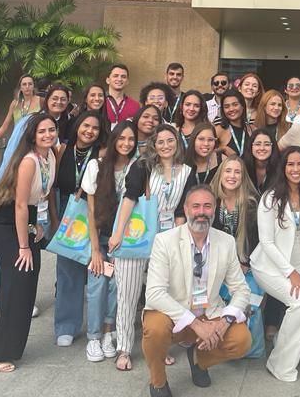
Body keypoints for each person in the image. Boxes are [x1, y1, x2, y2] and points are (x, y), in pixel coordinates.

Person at [141, 185, 252, 397]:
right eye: (196, 206)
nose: (201, 212)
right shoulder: (165, 241)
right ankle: (158, 381)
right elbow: (154, 293)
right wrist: (195, 324)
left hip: (209, 314)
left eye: (207, 206)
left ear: (214, 209)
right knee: (154, 329)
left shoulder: (226, 242)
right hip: (173, 315)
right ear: (186, 209)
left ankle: (199, 360)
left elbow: (241, 289)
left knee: (241, 340)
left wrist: (224, 322)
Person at [109, 124, 191, 372]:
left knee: (163, 295)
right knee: (128, 294)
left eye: (170, 140)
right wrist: (117, 233)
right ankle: (124, 348)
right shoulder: (143, 166)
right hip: (136, 234)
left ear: (177, 142)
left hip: (167, 238)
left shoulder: (186, 170)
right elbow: (129, 198)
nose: (166, 146)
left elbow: (181, 210)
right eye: (160, 141)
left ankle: (159, 346)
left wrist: (179, 241)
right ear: (154, 144)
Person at [0, 112, 57, 372]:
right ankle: (1, 353)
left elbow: (37, 199)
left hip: (25, 219)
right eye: (42, 131)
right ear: (32, 136)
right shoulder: (29, 161)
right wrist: (23, 246)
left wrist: (36, 226)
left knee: (27, 284)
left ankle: (14, 348)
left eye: (51, 130)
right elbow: (18, 205)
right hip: (4, 223)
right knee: (15, 284)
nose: (47, 135)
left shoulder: (50, 156)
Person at [250, 146, 300, 382]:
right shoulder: (270, 198)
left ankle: (280, 346)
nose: (295, 169)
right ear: (283, 168)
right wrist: (290, 273)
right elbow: (266, 242)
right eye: (290, 164)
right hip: (270, 265)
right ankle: (281, 365)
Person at [82, 120, 138, 362]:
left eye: (131, 139)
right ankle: (93, 337)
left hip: (124, 240)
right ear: (114, 139)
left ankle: (108, 332)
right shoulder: (96, 166)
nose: (126, 143)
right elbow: (91, 211)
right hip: (99, 237)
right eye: (122, 138)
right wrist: (95, 250)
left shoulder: (137, 167)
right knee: (97, 285)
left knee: (117, 286)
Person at [53, 111, 103, 347]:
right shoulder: (63, 149)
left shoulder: (102, 153)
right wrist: (55, 218)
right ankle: (66, 325)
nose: (89, 131)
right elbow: (52, 186)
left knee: (97, 268)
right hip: (68, 212)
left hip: (95, 211)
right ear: (77, 127)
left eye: (95, 128)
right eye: (86, 126)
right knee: (68, 268)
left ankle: (101, 326)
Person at [210, 157, 259, 271]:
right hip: (214, 263)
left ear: (242, 177)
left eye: (237, 172)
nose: (232, 176)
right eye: (228, 171)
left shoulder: (252, 204)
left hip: (246, 264)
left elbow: (256, 239)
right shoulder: (210, 199)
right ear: (220, 174)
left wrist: (246, 264)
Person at [0, 75, 42, 149]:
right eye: (24, 84)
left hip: (35, 141)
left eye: (30, 84)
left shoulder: (41, 101)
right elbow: (5, 124)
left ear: (33, 86)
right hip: (17, 142)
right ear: (20, 88)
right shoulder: (15, 104)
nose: (27, 87)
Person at [243, 127, 280, 193]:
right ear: (251, 146)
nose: (262, 148)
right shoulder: (242, 166)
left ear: (273, 147)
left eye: (267, 144)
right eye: (258, 144)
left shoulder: (280, 168)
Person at [185, 123, 223, 188]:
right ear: (193, 140)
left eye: (210, 140)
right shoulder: (182, 162)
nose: (206, 143)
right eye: (201, 139)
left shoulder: (222, 160)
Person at [216, 91, 251, 158]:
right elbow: (206, 151)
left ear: (243, 106)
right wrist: (223, 148)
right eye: (226, 106)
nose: (231, 109)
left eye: (235, 105)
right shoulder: (219, 129)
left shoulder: (252, 129)